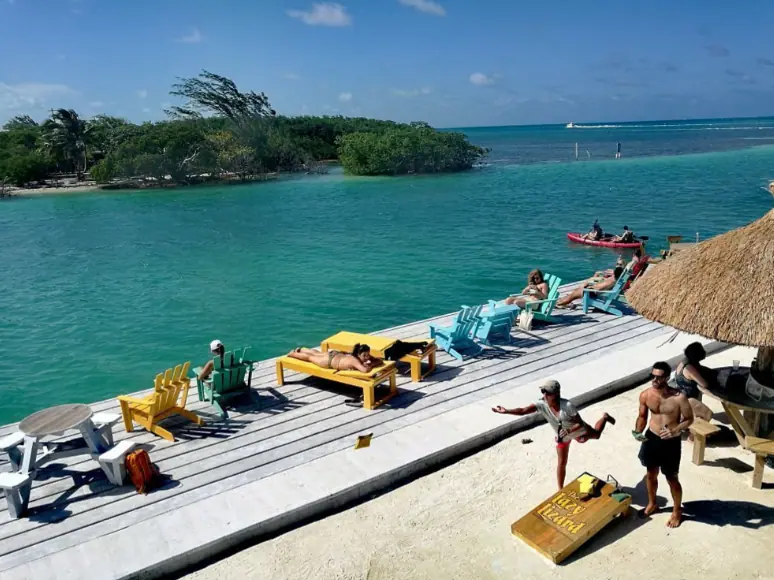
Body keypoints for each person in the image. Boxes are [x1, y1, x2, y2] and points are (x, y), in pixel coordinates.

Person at [492, 379, 615, 489]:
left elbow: (580, 423)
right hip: (563, 436)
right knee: (561, 462)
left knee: (596, 435)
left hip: (576, 431)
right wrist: (507, 411)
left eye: (547, 392)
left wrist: (568, 431)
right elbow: (523, 410)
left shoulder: (567, 406)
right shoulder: (541, 404)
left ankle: (604, 417)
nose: (544, 395)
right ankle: (560, 489)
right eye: (543, 392)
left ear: (556, 394)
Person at [635, 361, 694, 528]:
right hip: (651, 437)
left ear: (667, 378)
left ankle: (677, 511)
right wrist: (638, 431)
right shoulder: (645, 395)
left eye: (659, 377)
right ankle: (652, 503)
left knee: (671, 478)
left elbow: (689, 419)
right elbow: (642, 416)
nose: (655, 380)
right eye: (652, 376)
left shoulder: (679, 398)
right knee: (650, 474)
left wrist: (676, 430)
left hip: (671, 442)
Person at [672, 342, 714, 423]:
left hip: (680, 393)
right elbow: (705, 385)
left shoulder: (684, 361)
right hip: (687, 400)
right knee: (708, 414)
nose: (704, 352)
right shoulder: (689, 369)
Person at [555, 260, 626, 308]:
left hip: (591, 292)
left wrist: (590, 287)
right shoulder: (616, 277)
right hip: (592, 291)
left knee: (573, 295)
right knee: (574, 293)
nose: (618, 266)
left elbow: (600, 288)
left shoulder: (613, 279)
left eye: (620, 265)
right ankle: (561, 302)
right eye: (617, 264)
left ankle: (557, 303)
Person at [287, 343, 381, 373]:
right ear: (358, 354)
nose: (367, 357)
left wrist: (371, 361)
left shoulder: (355, 355)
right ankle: (293, 354)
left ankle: (302, 349)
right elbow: (365, 370)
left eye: (368, 354)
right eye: (364, 355)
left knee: (317, 353)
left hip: (335, 354)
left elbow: (379, 360)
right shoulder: (354, 360)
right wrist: (371, 364)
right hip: (329, 361)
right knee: (310, 357)